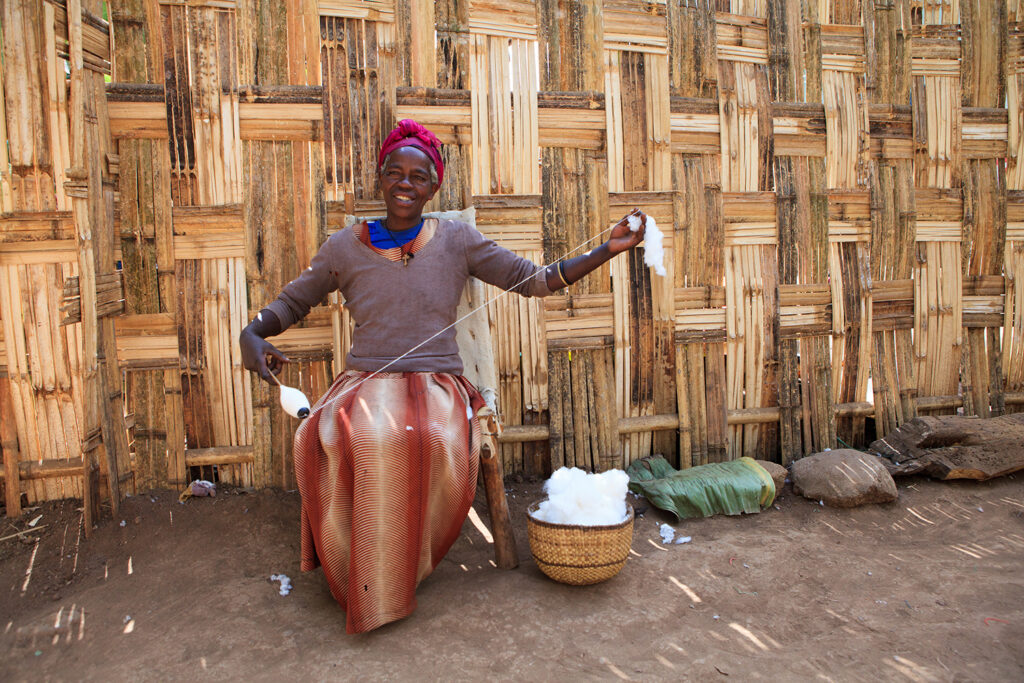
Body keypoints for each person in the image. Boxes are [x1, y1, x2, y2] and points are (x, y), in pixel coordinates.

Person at [240, 119, 648, 633]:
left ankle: (397, 571)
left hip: (438, 386)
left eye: (418, 175)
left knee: (417, 435)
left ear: (434, 186)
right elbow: (291, 302)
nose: (405, 183)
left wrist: (607, 249)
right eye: (395, 172)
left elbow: (535, 281)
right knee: (336, 434)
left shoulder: (457, 239)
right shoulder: (344, 246)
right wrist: (251, 335)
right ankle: (357, 575)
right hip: (365, 381)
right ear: (380, 180)